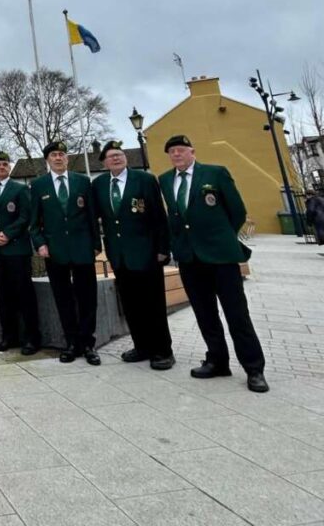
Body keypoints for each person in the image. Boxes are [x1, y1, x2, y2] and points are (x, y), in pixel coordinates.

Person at [158, 135, 268, 393]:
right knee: (205, 313)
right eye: (172, 151)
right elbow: (174, 216)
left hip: (221, 257)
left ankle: (254, 368)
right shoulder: (165, 180)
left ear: (192, 152)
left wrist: (221, 237)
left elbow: (237, 210)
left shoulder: (215, 173)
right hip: (189, 258)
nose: (176, 154)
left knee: (236, 313)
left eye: (181, 150)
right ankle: (217, 360)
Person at [91, 141, 174, 370]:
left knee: (153, 304)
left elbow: (159, 216)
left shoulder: (145, 180)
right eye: (111, 156)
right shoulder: (99, 185)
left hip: (147, 253)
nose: (116, 158)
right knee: (131, 304)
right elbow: (95, 217)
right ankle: (142, 346)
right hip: (119, 255)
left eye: (119, 154)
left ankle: (163, 351)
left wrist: (163, 249)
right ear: (104, 163)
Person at [30, 140, 101, 365]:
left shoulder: (82, 181)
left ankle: (88, 344)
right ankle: (71, 343)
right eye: (54, 155)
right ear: (47, 160)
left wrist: (96, 245)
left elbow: (92, 216)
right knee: (63, 298)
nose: (58, 158)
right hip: (55, 251)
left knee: (87, 298)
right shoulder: (38, 185)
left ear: (67, 159)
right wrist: (40, 244)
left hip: (82, 249)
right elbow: (34, 222)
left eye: (61, 154)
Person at [0, 151, 40, 355]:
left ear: (9, 167)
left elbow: (25, 216)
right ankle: (9, 337)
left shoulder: (20, 189)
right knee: (3, 295)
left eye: (5, 164)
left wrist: (7, 234)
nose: (2, 167)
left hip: (17, 250)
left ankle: (32, 338)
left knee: (24, 294)